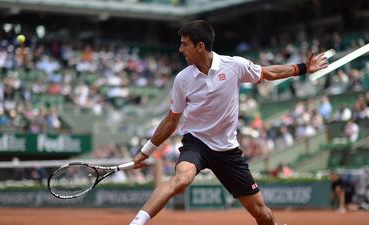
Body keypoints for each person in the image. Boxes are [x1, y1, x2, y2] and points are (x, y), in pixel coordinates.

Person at [130, 20, 328, 225]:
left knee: (262, 214)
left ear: (200, 46)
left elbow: (268, 73)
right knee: (181, 179)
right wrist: (145, 152)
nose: (180, 49)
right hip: (197, 142)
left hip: (227, 149)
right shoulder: (182, 79)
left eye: (184, 44)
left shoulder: (234, 66)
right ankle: (136, 222)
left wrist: (304, 68)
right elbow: (172, 120)